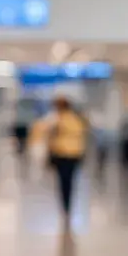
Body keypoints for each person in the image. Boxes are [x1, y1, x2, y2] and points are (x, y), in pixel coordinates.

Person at [30, 95, 89, 228]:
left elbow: (41, 130)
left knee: (63, 181)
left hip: (62, 154)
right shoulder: (77, 119)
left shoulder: (56, 119)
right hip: (75, 154)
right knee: (70, 180)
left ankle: (65, 205)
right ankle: (68, 205)